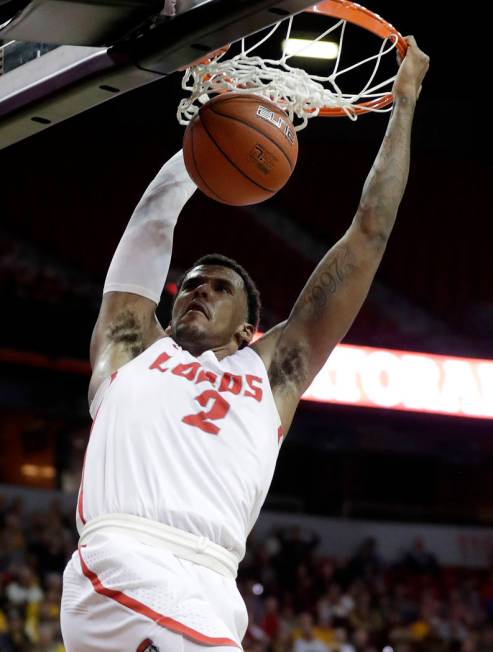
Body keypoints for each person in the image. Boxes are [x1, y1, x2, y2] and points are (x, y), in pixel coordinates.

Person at [60, 36, 429, 652]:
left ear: (247, 330)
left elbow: (369, 235)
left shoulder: (273, 376)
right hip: (126, 560)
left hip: (213, 588)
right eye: (190, 283)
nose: (195, 290)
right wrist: (202, 140)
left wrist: (407, 104)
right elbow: (152, 219)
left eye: (219, 286)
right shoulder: (132, 349)